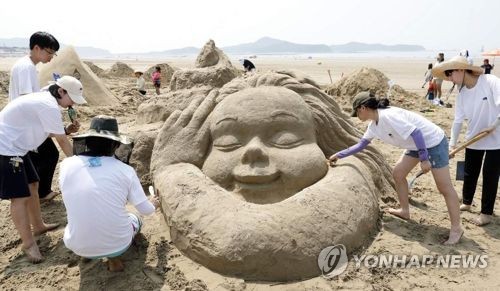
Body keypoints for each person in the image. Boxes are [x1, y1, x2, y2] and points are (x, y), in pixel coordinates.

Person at [328, 91, 463, 245]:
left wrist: (424, 159)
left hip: (433, 142)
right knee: (398, 173)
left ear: (363, 108)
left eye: (356, 112)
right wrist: (339, 155)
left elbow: (417, 133)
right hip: (414, 145)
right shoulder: (374, 125)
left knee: (444, 187)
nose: (357, 116)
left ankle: (456, 229)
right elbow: (361, 145)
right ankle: (404, 211)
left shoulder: (388, 116)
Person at [0, 75, 86, 263]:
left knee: (33, 184)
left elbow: (48, 132)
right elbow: (62, 141)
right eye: (71, 98)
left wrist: (65, 129)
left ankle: (38, 225)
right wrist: (80, 167)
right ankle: (28, 244)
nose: (72, 104)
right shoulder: (48, 105)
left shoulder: (45, 100)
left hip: (19, 147)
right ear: (61, 91)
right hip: (6, 148)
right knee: (19, 197)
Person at [60, 115, 160, 272]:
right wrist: (153, 203)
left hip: (75, 245)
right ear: (115, 145)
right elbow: (146, 210)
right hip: (117, 244)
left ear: (87, 141)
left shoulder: (66, 165)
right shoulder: (126, 171)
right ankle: (114, 260)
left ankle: (87, 252)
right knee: (135, 218)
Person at [432, 56, 500, 226]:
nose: (449, 78)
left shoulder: (489, 81)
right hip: (474, 138)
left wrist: (495, 124)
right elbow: (457, 121)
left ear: (461, 70)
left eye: (450, 73)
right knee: (469, 172)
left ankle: (486, 213)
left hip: (496, 137)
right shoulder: (461, 94)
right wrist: (452, 144)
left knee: (490, 175)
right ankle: (467, 202)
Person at [8, 32, 63, 201]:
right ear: (36, 48)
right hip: (25, 122)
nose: (51, 57)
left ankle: (38, 193)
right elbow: (27, 98)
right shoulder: (26, 67)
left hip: (25, 121)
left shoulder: (27, 65)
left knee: (42, 157)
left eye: (54, 53)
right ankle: (40, 193)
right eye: (49, 52)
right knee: (49, 154)